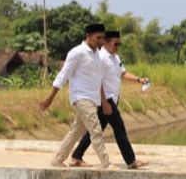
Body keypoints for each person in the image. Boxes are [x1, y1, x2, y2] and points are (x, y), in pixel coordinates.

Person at [68, 31, 150, 169]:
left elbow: (123, 73)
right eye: (115, 44)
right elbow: (97, 81)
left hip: (112, 99)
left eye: (119, 44)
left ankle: (76, 156)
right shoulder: (101, 58)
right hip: (106, 100)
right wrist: (105, 102)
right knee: (119, 129)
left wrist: (139, 80)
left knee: (95, 131)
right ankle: (131, 161)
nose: (118, 46)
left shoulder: (115, 57)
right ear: (105, 43)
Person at [40, 23, 112, 168]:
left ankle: (58, 160)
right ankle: (106, 163)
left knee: (76, 131)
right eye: (98, 38)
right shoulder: (77, 53)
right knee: (96, 129)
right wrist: (50, 98)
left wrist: (104, 101)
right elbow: (63, 76)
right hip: (81, 98)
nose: (101, 41)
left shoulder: (96, 54)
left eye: (103, 38)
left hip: (93, 99)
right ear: (88, 36)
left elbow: (98, 80)